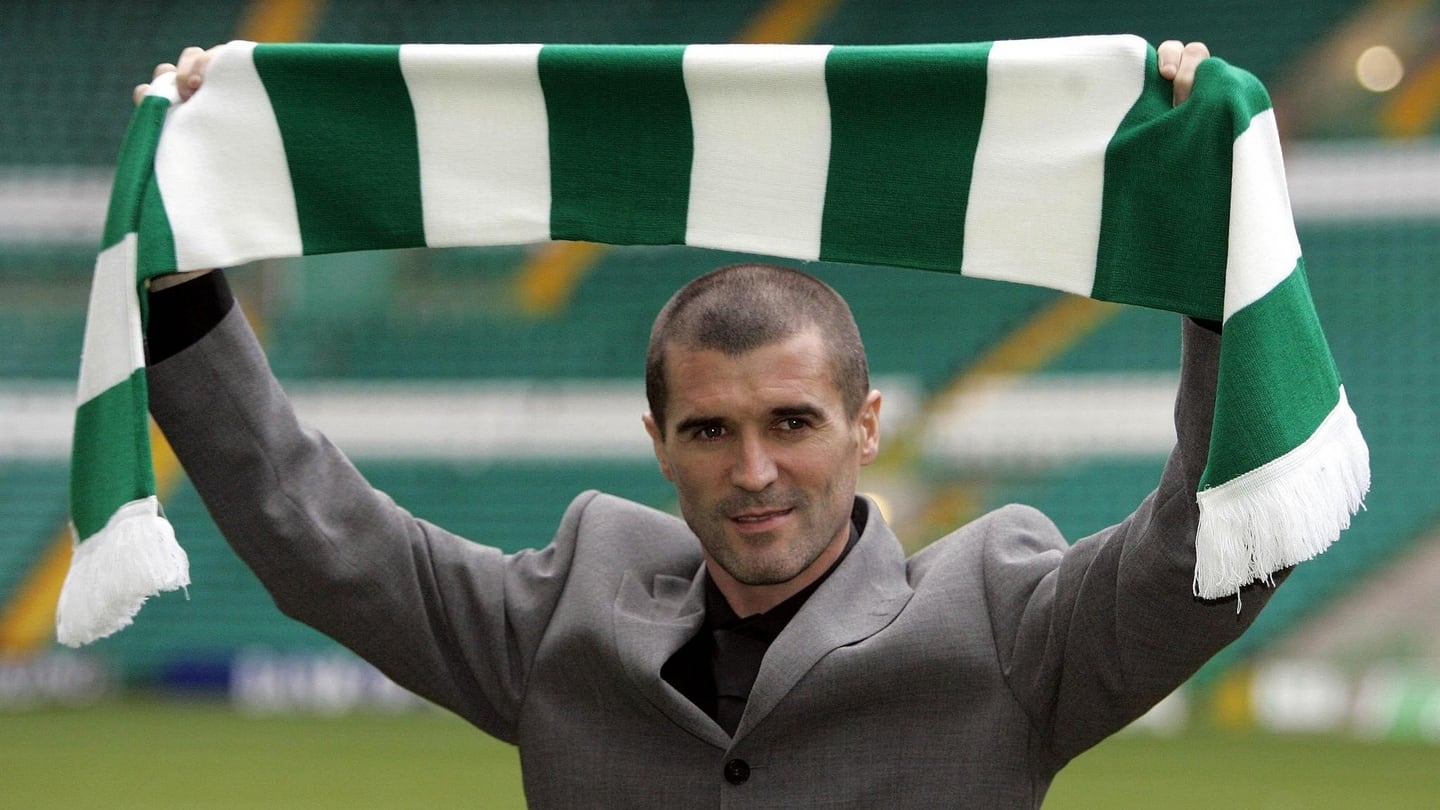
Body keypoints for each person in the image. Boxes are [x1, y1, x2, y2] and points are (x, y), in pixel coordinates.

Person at [139, 41, 1273, 807]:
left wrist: (1211, 245)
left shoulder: (1005, 623)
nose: (755, 471)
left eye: (792, 421)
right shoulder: (570, 611)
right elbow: (317, 536)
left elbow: (1205, 551)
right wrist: (185, 284)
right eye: (709, 432)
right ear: (657, 441)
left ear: (865, 425)